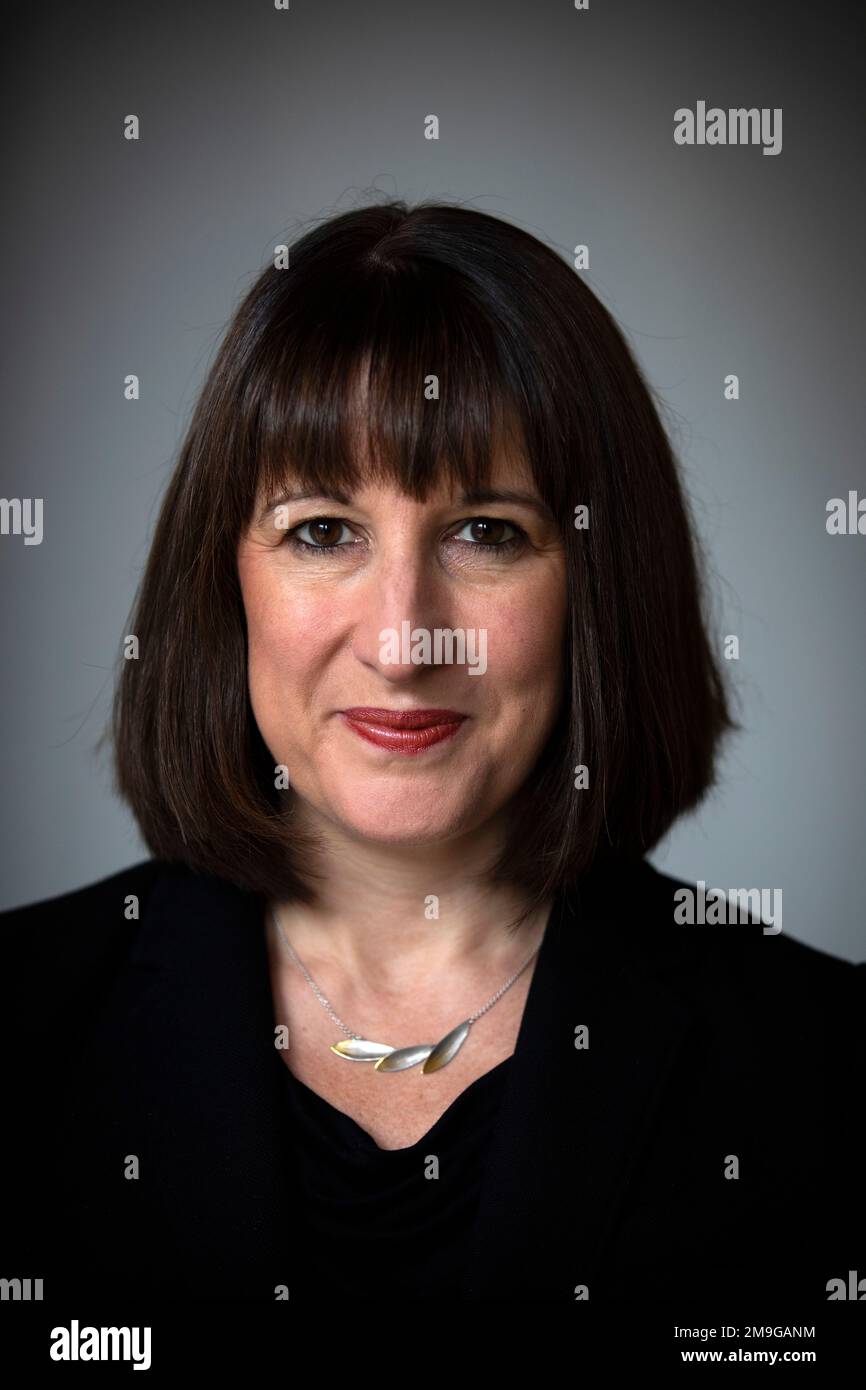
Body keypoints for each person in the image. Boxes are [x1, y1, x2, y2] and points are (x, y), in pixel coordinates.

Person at [1, 200, 862, 1305]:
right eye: (322, 531)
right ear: (227, 583)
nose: (405, 640)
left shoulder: (825, 1065)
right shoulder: (19, 1021)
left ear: (594, 592)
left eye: (486, 532)